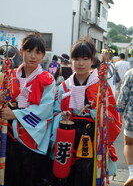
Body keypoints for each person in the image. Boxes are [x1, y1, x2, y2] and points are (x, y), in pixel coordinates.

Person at [50, 37, 121, 186]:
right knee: (65, 178)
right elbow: (54, 112)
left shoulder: (101, 86)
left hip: (93, 140)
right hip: (68, 140)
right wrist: (62, 117)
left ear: (92, 60)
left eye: (85, 58)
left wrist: (97, 114)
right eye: (76, 59)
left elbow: (113, 116)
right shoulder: (64, 86)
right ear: (71, 60)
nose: (80, 63)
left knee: (88, 178)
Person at [0, 33, 55, 186]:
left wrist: (15, 114)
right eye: (29, 51)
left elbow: (45, 110)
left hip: (33, 137)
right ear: (21, 51)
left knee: (30, 178)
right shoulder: (9, 75)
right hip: (9, 134)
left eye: (38, 52)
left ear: (43, 55)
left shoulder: (47, 79)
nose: (33, 56)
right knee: (9, 175)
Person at [117, 68, 133, 186]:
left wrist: (119, 111)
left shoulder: (130, 73)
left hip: (131, 117)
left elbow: (123, 97)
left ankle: (132, 173)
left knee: (129, 144)